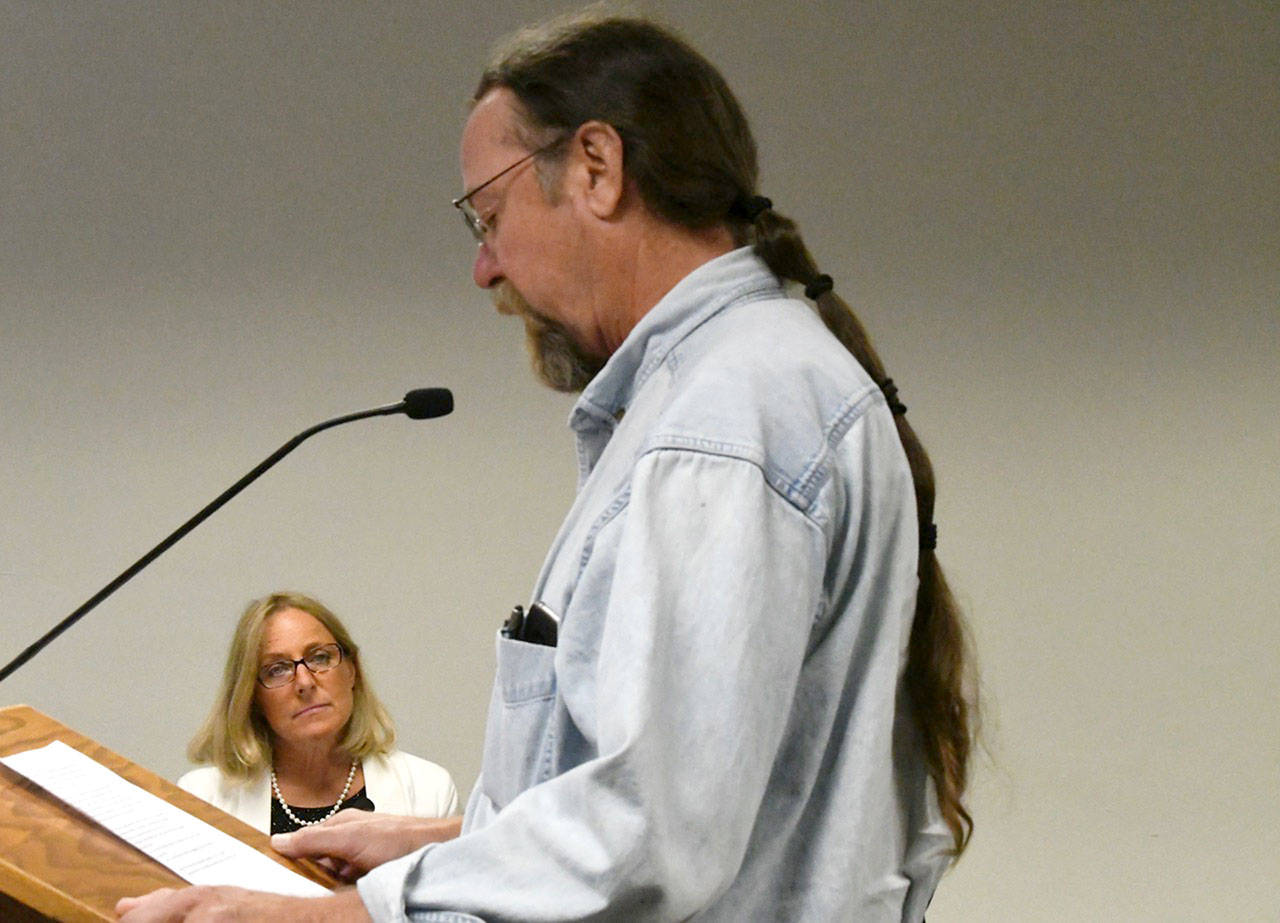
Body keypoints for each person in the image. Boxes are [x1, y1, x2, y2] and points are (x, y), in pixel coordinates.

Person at [118, 11, 975, 921]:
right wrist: (439, 845)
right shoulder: (751, 385)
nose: (485, 268)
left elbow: (652, 839)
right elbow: (719, 801)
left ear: (598, 169)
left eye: (489, 216)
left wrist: (351, 914)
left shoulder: (720, 426)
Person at [177, 591, 460, 836]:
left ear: (352, 671)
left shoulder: (427, 790)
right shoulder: (203, 800)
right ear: (251, 697)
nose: (305, 682)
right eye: (277, 669)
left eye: (320, 657)